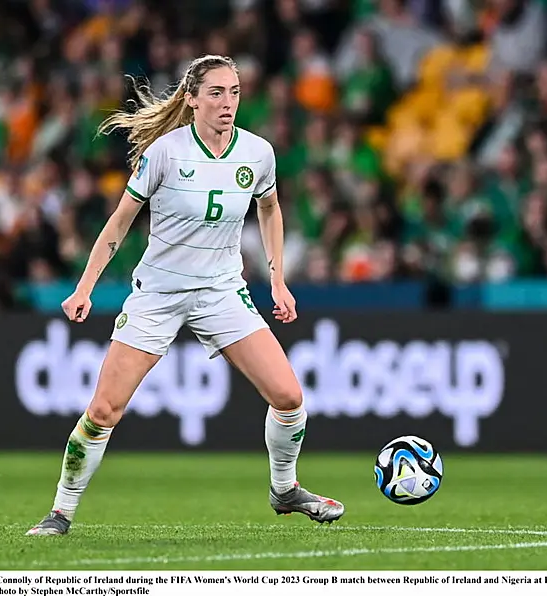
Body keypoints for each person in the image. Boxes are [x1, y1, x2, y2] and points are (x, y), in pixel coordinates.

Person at [26, 55, 344, 536]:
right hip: (158, 292)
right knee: (104, 410)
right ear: (192, 99)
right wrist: (84, 287)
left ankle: (285, 489)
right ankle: (60, 512)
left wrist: (278, 279)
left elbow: (271, 209)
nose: (227, 102)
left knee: (289, 397)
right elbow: (120, 221)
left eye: (234, 91)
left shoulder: (257, 154)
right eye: (216, 92)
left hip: (222, 291)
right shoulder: (166, 153)